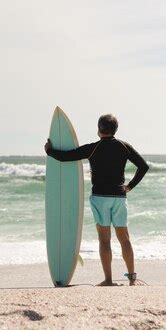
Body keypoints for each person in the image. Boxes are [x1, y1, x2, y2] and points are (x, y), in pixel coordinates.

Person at [44, 114, 149, 286]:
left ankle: (108, 280)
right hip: (119, 197)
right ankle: (132, 279)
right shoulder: (124, 146)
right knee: (124, 238)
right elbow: (143, 167)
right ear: (115, 129)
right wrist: (129, 186)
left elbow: (66, 157)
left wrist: (50, 151)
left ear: (99, 130)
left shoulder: (94, 148)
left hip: (100, 198)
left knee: (104, 239)